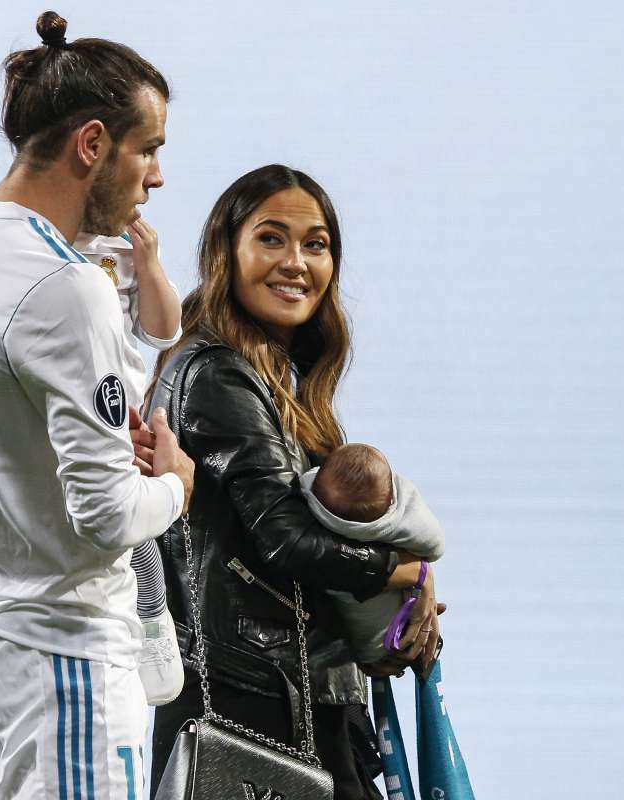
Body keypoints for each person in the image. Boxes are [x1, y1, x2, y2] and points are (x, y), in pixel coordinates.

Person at [0, 10, 195, 798]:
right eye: (148, 148)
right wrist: (176, 483)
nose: (157, 176)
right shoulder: (65, 285)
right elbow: (109, 517)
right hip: (64, 667)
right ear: (91, 144)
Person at [146, 165, 444, 800]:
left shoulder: (270, 377)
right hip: (255, 707)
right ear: (226, 252)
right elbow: (287, 540)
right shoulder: (220, 375)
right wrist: (406, 571)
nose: (296, 263)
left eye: (316, 244)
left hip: (278, 699)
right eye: (271, 238)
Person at [0, 225, 186, 754]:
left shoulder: (117, 251)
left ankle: (153, 626)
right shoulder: (14, 249)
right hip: (25, 423)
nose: (150, 186)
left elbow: (163, 331)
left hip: (106, 425)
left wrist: (148, 264)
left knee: (130, 534)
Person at [304, 443, 445, 664]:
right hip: (382, 636)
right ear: (390, 501)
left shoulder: (307, 496)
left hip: (336, 627)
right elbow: (434, 545)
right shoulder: (393, 523)